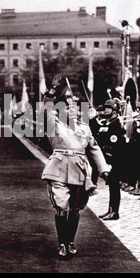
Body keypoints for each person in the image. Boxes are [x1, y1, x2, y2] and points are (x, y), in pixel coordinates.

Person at [41, 74, 111, 259]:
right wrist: (52, 91)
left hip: (80, 172)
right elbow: (46, 108)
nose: (72, 109)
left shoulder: (84, 128)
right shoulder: (53, 125)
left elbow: (94, 149)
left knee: (75, 209)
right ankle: (61, 244)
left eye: (74, 106)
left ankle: (70, 241)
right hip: (58, 170)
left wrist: (103, 169)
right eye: (68, 106)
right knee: (61, 207)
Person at [90, 99, 126, 220]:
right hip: (110, 160)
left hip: (114, 161)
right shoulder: (109, 123)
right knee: (112, 185)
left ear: (115, 110)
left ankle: (114, 212)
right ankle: (111, 210)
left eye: (108, 108)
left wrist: (109, 162)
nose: (105, 110)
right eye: (105, 108)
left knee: (114, 186)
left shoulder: (115, 125)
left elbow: (114, 147)